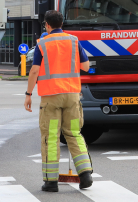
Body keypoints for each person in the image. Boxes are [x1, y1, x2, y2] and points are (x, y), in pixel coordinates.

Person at [24, 10, 93, 192]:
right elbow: (86, 66)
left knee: (51, 137)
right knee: (74, 133)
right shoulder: (73, 41)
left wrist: (28, 93)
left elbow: (34, 71)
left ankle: (51, 182)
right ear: (61, 24)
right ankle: (85, 174)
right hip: (72, 95)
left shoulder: (42, 44)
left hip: (51, 98)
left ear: (47, 25)